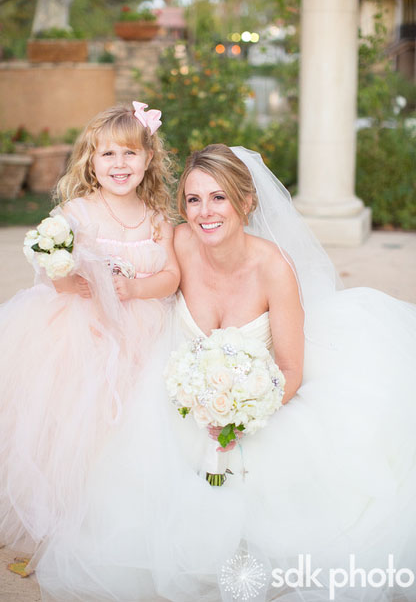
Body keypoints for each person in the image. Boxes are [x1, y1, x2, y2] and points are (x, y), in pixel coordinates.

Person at [25, 144, 416, 602]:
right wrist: (61, 254)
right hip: (180, 396)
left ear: (246, 203)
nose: (204, 212)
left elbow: (290, 369)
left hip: (260, 405)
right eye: (193, 199)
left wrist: (239, 416)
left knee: (286, 515)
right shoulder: (177, 243)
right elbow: (117, 250)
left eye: (219, 198)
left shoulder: (274, 269)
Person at [0, 102, 180, 559]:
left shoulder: (157, 219)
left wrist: (133, 288)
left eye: (130, 154)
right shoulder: (76, 213)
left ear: (149, 159)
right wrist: (65, 273)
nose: (120, 164)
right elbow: (54, 272)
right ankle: (70, 510)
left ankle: (118, 508)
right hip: (80, 331)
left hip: (142, 329)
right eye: (108, 155)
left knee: (133, 423)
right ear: (91, 162)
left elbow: (172, 277)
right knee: (76, 423)